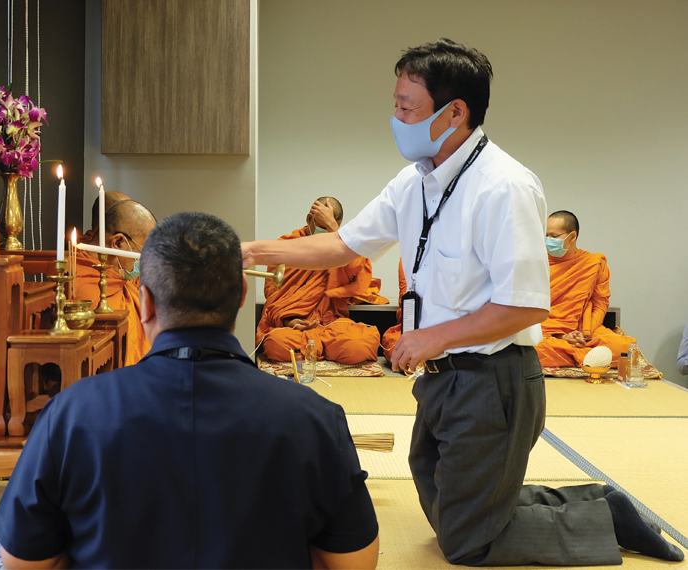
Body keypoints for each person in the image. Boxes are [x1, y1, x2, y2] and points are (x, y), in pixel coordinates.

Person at [240, 38, 682, 565]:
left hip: (492, 378)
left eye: (407, 107)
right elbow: (343, 244)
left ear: (454, 113)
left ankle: (604, 519)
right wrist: (251, 251)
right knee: (437, 493)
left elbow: (525, 306)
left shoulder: (504, 186)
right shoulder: (414, 182)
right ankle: (592, 502)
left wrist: (430, 337)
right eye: (396, 105)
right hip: (441, 374)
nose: (396, 119)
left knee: (470, 543)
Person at [0, 212, 380, 569]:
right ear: (243, 296)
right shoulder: (314, 418)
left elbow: (23, 562)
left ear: (144, 302)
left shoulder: (71, 413)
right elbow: (355, 564)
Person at [258, 197, 383, 365]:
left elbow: (359, 276)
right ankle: (322, 351)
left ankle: (314, 351)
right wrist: (289, 321)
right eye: (322, 227)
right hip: (295, 327)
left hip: (331, 323)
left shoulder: (344, 249)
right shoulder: (288, 245)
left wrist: (336, 233)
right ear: (309, 219)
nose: (325, 232)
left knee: (360, 345)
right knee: (276, 343)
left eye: (331, 227)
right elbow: (273, 295)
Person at [535, 210, 636, 367]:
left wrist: (584, 334)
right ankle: (588, 357)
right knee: (531, 348)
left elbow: (600, 304)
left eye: (554, 236)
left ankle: (573, 354)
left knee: (624, 348)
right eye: (546, 235)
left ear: (572, 236)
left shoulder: (593, 263)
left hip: (582, 328)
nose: (548, 240)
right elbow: (529, 307)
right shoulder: (537, 263)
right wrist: (560, 336)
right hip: (545, 328)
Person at [74, 199, 155, 365]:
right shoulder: (80, 281)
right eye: (144, 251)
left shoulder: (120, 278)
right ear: (118, 242)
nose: (144, 261)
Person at [379, 259, 407, 360]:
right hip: (411, 326)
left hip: (442, 329)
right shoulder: (409, 258)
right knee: (397, 348)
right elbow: (406, 296)